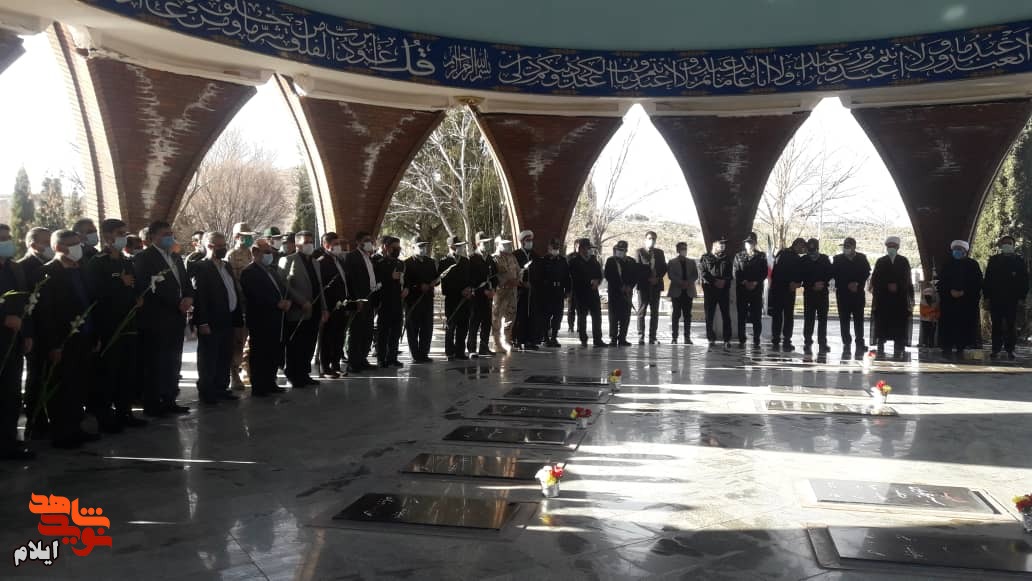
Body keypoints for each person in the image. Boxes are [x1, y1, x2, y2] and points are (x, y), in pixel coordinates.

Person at [37, 229, 101, 448]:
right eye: (72, 244)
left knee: (79, 386)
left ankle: (76, 427)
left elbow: (90, 303)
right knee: (62, 388)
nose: (77, 248)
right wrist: (54, 345)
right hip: (63, 341)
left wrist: (95, 335)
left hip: (84, 337)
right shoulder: (47, 273)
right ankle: (62, 433)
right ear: (58, 247)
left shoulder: (81, 269)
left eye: (78, 243)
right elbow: (45, 314)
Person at [84, 218, 147, 431]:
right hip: (109, 325)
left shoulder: (125, 261)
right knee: (109, 372)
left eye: (124, 233)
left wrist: (138, 297)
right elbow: (95, 294)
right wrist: (119, 283)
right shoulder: (97, 263)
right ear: (108, 235)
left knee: (127, 371)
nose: (123, 237)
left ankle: (124, 411)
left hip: (129, 323)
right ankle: (105, 416)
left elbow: (134, 285)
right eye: (120, 233)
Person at [134, 221, 192, 416]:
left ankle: (169, 399)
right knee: (155, 363)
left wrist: (188, 297)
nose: (169, 237)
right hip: (156, 319)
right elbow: (148, 288)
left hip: (176, 318)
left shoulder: (175, 257)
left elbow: (184, 282)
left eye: (171, 233)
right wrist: (176, 302)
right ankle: (153, 403)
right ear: (153, 237)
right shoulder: (144, 258)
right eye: (165, 234)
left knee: (173, 361)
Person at [190, 232, 243, 405]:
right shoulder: (201, 267)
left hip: (228, 318)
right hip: (211, 320)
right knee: (209, 358)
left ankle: (221, 388)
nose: (223, 248)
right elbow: (200, 297)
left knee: (224, 355)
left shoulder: (226, 265)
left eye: (224, 245)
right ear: (209, 246)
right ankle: (207, 391)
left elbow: (232, 289)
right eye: (219, 246)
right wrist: (202, 322)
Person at [240, 244, 290, 396]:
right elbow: (254, 295)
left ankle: (270, 382)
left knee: (273, 351)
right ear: (255, 252)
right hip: (260, 319)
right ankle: (259, 386)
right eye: (266, 252)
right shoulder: (249, 272)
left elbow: (280, 289)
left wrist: (286, 301)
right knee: (260, 352)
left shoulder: (271, 271)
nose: (270, 255)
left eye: (271, 252)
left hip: (276, 317)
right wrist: (275, 303)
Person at [0, 224, 32, 460]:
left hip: (15, 340)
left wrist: (27, 333)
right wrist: (3, 319)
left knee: (11, 393)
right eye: (2, 239)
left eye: (8, 238)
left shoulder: (14, 268)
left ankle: (9, 440)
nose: (7, 242)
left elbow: (25, 303)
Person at [280, 231, 327, 387]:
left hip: (314, 309)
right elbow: (284, 284)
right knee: (296, 344)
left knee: (309, 343)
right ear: (297, 244)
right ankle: (293, 375)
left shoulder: (315, 262)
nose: (309, 245)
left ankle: (304, 373)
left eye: (311, 241)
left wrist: (324, 308)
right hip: (298, 310)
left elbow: (319, 286)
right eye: (306, 242)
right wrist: (301, 301)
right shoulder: (287, 260)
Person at [18, 227, 51, 439]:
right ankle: (35, 420)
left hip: (51, 328)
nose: (48, 246)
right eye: (45, 242)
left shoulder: (51, 264)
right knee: (36, 377)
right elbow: (23, 303)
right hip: (35, 331)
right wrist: (27, 333)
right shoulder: (23, 267)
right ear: (33, 244)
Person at [983, 235, 1029, 360]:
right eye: (1004, 243)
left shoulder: (1019, 261)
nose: (1007, 245)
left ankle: (1010, 350)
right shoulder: (994, 260)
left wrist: (1022, 297)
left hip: (1012, 299)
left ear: (1013, 246)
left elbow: (1024, 281)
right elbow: (988, 279)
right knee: (996, 324)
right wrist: (986, 297)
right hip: (996, 298)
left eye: (1009, 243)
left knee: (1011, 324)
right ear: (1001, 245)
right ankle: (995, 349)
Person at [937, 240, 983, 359]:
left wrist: (964, 292)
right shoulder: (947, 264)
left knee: (964, 326)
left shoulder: (973, 265)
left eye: (959, 249)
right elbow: (941, 282)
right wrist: (950, 291)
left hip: (966, 302)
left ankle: (961, 348)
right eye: (955, 249)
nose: (957, 251)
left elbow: (977, 283)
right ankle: (946, 348)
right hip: (949, 302)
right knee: (948, 325)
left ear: (965, 251)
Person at [870, 236, 914, 358]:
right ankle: (881, 343)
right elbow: (876, 279)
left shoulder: (903, 261)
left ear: (898, 247)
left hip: (899, 299)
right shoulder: (881, 261)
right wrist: (887, 285)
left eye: (893, 246)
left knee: (898, 322)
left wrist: (897, 286)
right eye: (889, 246)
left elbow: (907, 279)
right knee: (882, 322)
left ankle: (899, 344)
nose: (891, 248)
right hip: (883, 298)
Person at [314, 232, 349, 377]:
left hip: (342, 304)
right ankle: (325, 367)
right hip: (330, 306)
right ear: (326, 245)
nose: (338, 246)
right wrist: (325, 308)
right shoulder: (322, 262)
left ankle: (336, 364)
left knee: (339, 336)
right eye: (335, 244)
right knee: (328, 337)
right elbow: (322, 286)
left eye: (339, 244)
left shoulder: (338, 260)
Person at [343, 232, 379, 371]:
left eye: (370, 240)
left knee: (367, 331)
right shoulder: (352, 257)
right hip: (359, 300)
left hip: (370, 298)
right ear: (358, 242)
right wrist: (355, 300)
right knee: (356, 331)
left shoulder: (369, 257)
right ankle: (353, 362)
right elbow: (350, 280)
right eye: (366, 240)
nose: (369, 242)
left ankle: (363, 359)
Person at [226, 222, 255, 390]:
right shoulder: (231, 255)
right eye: (246, 236)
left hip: (253, 303)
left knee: (250, 342)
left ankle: (247, 371)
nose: (249, 239)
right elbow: (233, 282)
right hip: (240, 304)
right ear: (237, 237)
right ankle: (234, 374)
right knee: (238, 341)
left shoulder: (251, 254)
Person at [831, 237, 871, 357]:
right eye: (845, 246)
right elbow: (835, 275)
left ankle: (860, 342)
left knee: (859, 319)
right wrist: (847, 284)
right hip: (843, 294)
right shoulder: (837, 259)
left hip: (858, 294)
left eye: (848, 246)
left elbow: (866, 273)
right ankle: (846, 342)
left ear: (854, 247)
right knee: (844, 319)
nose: (846, 248)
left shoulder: (862, 258)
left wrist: (856, 283)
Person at [439, 236, 473, 360]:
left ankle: (460, 351)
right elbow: (444, 285)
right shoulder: (444, 261)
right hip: (452, 300)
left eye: (461, 245)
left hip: (465, 300)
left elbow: (470, 278)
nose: (461, 247)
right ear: (451, 246)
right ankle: (450, 352)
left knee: (463, 327)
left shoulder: (465, 261)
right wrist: (460, 291)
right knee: (451, 327)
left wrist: (469, 289)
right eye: (458, 245)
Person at [373, 236, 405, 367]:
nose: (397, 250)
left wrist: (406, 288)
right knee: (383, 332)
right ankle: (381, 358)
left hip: (397, 301)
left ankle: (392, 357)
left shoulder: (400, 263)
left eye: (399, 247)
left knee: (396, 331)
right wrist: (389, 277)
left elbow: (404, 280)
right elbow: (375, 281)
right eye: (394, 248)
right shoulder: (378, 262)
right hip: (384, 301)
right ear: (386, 247)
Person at [769, 238, 806, 351]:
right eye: (802, 246)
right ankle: (776, 339)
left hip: (790, 290)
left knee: (788, 316)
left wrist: (798, 283)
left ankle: (786, 340)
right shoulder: (783, 254)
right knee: (778, 315)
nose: (803, 249)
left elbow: (800, 273)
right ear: (796, 245)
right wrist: (790, 282)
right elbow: (778, 272)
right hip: (779, 289)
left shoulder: (797, 257)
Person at [404, 238, 437, 362]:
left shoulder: (430, 262)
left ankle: (424, 353)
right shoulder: (407, 263)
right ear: (413, 247)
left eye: (424, 246)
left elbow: (436, 278)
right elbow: (406, 282)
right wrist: (418, 286)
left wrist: (434, 282)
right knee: (413, 329)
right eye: (420, 246)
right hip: (413, 301)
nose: (423, 249)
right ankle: (415, 355)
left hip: (427, 300)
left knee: (427, 328)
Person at [569, 238, 606, 347]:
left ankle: (597, 339)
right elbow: (574, 277)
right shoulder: (574, 262)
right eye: (587, 248)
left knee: (597, 316)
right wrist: (589, 281)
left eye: (589, 248)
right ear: (581, 249)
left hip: (593, 292)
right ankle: (583, 338)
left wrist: (597, 281)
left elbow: (600, 274)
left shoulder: (594, 260)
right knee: (582, 316)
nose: (589, 250)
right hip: (580, 293)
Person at [801, 238, 833, 354]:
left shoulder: (824, 259)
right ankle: (807, 342)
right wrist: (812, 285)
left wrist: (822, 283)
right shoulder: (804, 260)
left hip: (822, 292)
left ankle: (822, 343)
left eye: (814, 246)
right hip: (809, 292)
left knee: (823, 319)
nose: (812, 249)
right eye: (810, 246)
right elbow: (801, 275)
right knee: (809, 318)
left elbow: (830, 272)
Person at [733, 234, 766, 348]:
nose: (749, 244)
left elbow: (764, 272)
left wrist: (755, 282)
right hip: (742, 289)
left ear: (755, 243)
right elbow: (735, 272)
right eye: (747, 243)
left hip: (756, 290)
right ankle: (742, 338)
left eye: (751, 242)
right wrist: (745, 282)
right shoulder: (738, 256)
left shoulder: (761, 256)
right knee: (741, 315)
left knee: (756, 315)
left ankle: (756, 338)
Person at [635, 231, 667, 345]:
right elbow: (638, 268)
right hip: (644, 286)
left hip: (656, 286)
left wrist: (657, 278)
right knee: (641, 312)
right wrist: (648, 278)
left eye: (653, 238)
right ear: (645, 239)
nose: (651, 240)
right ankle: (641, 336)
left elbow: (663, 267)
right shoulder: (639, 252)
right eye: (649, 238)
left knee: (654, 313)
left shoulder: (660, 253)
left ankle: (653, 337)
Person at [699, 239, 733, 347]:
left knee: (726, 315)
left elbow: (731, 274)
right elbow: (703, 272)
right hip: (710, 290)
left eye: (724, 244)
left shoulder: (727, 259)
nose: (723, 246)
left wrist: (724, 281)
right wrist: (714, 281)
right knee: (709, 316)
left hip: (723, 291)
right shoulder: (705, 257)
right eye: (720, 244)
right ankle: (711, 338)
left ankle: (727, 339)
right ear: (714, 245)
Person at [467, 232, 495, 356]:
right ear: (478, 244)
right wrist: (482, 291)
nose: (487, 245)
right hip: (476, 296)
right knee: (474, 323)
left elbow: (494, 276)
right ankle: (472, 348)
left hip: (488, 297)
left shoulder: (490, 259)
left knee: (487, 322)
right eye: (485, 242)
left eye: (488, 242)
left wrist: (493, 290)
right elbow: (470, 279)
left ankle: (484, 347)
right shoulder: (472, 259)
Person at [538, 238, 570, 347]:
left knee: (558, 316)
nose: (556, 249)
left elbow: (567, 277)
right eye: (554, 247)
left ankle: (554, 337)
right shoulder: (544, 261)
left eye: (557, 247)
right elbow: (540, 277)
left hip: (559, 292)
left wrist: (567, 290)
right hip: (547, 292)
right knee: (546, 316)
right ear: (549, 248)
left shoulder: (563, 260)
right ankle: (546, 338)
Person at [492, 235, 520, 353]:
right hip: (500, 293)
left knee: (510, 316)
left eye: (508, 243)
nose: (507, 246)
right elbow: (494, 275)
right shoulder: (494, 258)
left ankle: (508, 341)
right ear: (497, 244)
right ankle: (497, 344)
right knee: (497, 319)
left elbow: (518, 271)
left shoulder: (512, 257)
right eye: (504, 244)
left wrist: (517, 280)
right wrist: (505, 282)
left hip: (512, 292)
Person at [666, 242, 698, 345]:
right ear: (677, 250)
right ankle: (674, 337)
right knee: (676, 315)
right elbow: (671, 275)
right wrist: (680, 282)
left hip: (688, 291)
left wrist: (688, 282)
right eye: (682, 248)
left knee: (687, 315)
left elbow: (695, 275)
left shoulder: (691, 262)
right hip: (676, 291)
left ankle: (687, 337)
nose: (684, 250)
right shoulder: (672, 262)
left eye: (685, 248)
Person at [605, 241, 634, 347]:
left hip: (627, 293)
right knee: (613, 317)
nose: (620, 252)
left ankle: (622, 338)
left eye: (622, 250)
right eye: (618, 249)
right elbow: (608, 275)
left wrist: (630, 286)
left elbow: (635, 275)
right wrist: (619, 286)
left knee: (625, 316)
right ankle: (613, 338)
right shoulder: (611, 261)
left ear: (626, 250)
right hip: (614, 292)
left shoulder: (631, 261)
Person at [513, 230, 539, 350]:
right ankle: (518, 339)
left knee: (532, 315)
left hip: (532, 291)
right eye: (528, 240)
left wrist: (533, 284)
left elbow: (539, 273)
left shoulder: (535, 256)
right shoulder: (515, 255)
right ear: (522, 242)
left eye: (531, 240)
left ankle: (530, 340)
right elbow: (513, 272)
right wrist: (522, 283)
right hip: (520, 291)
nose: (530, 242)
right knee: (520, 316)